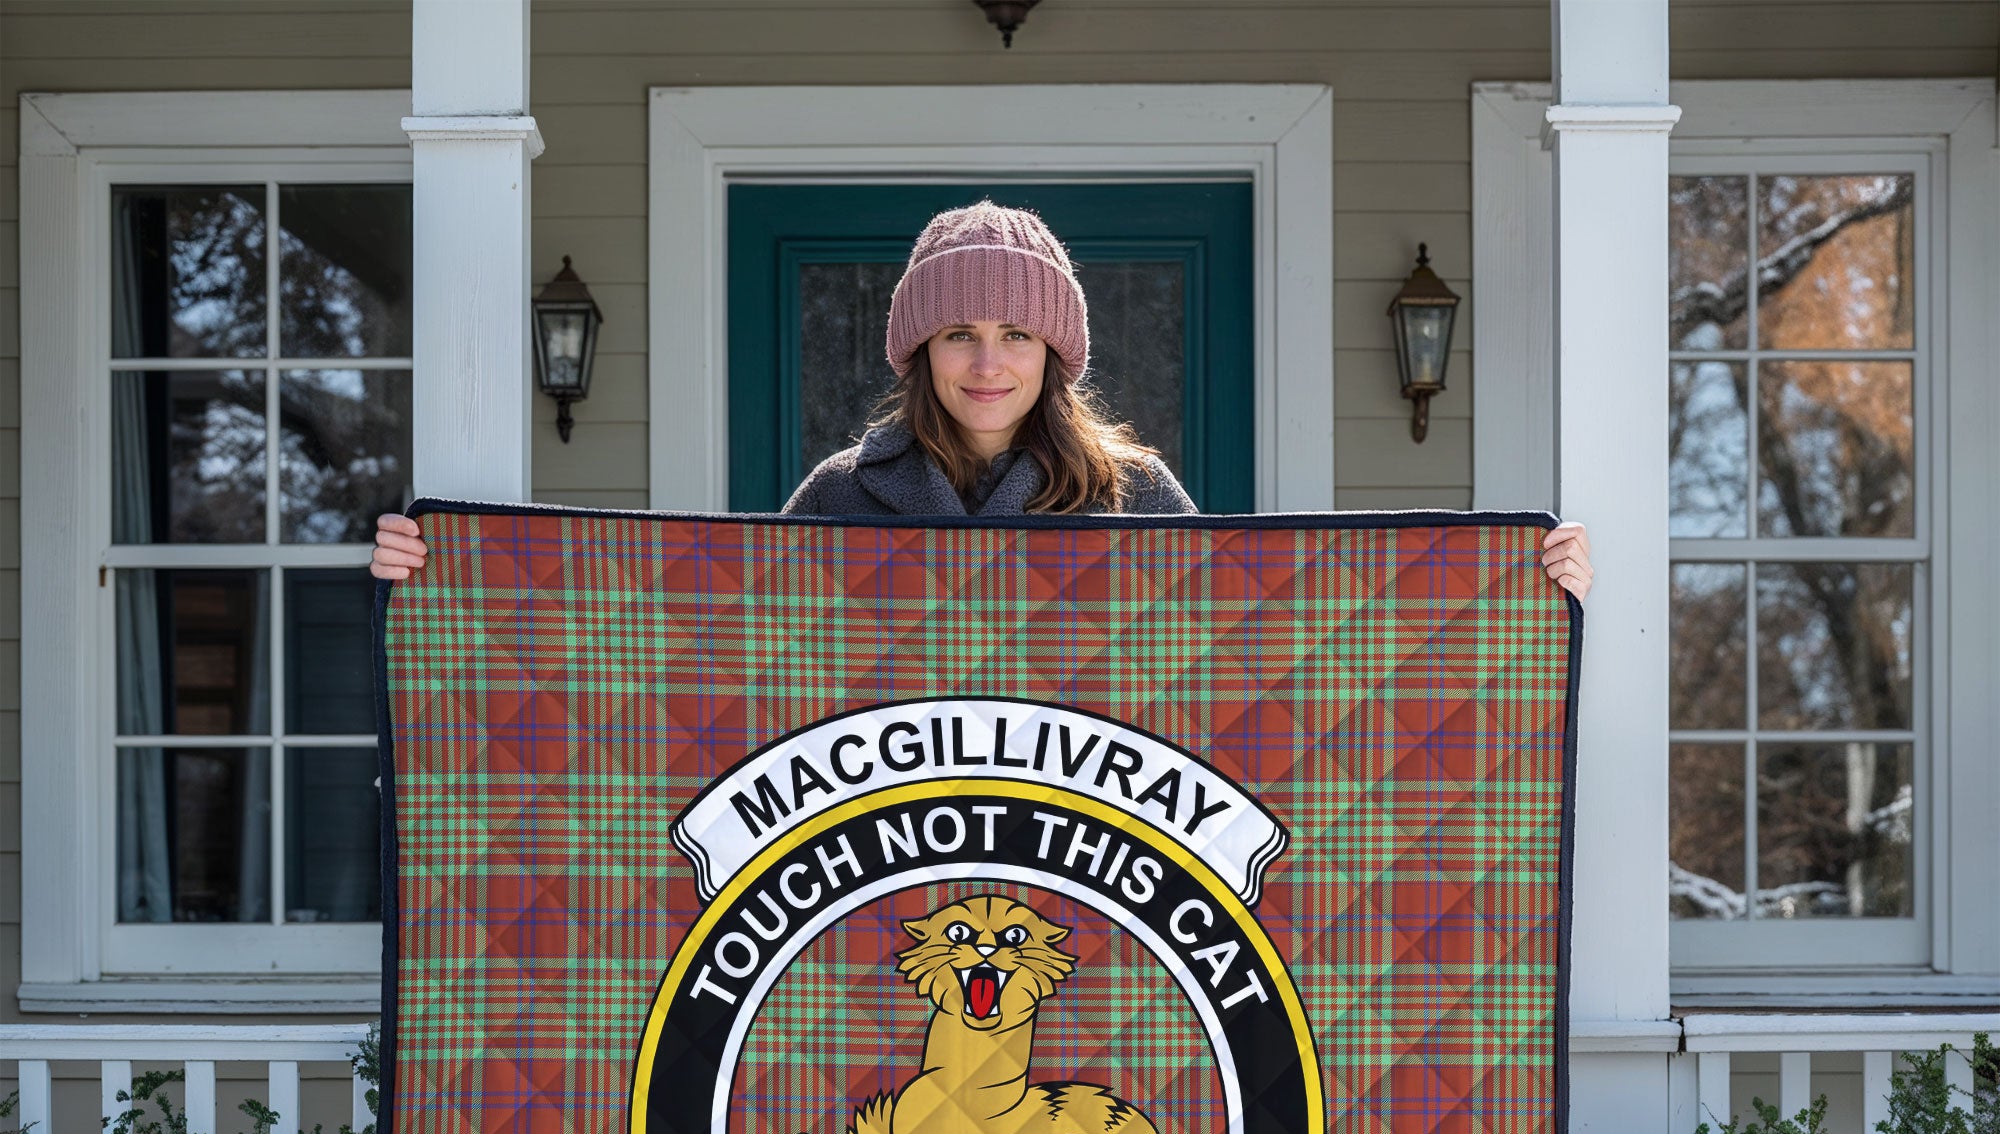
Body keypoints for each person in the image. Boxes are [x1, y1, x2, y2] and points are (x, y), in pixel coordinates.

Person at [372, 198, 1592, 591]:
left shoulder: (1132, 494)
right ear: (917, 351)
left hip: (1089, 845)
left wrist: (1509, 584)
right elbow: (695, 624)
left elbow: (1258, 638)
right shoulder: (843, 496)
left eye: (1014, 333)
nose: (986, 360)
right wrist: (457, 569)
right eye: (957, 332)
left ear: (1056, 354)